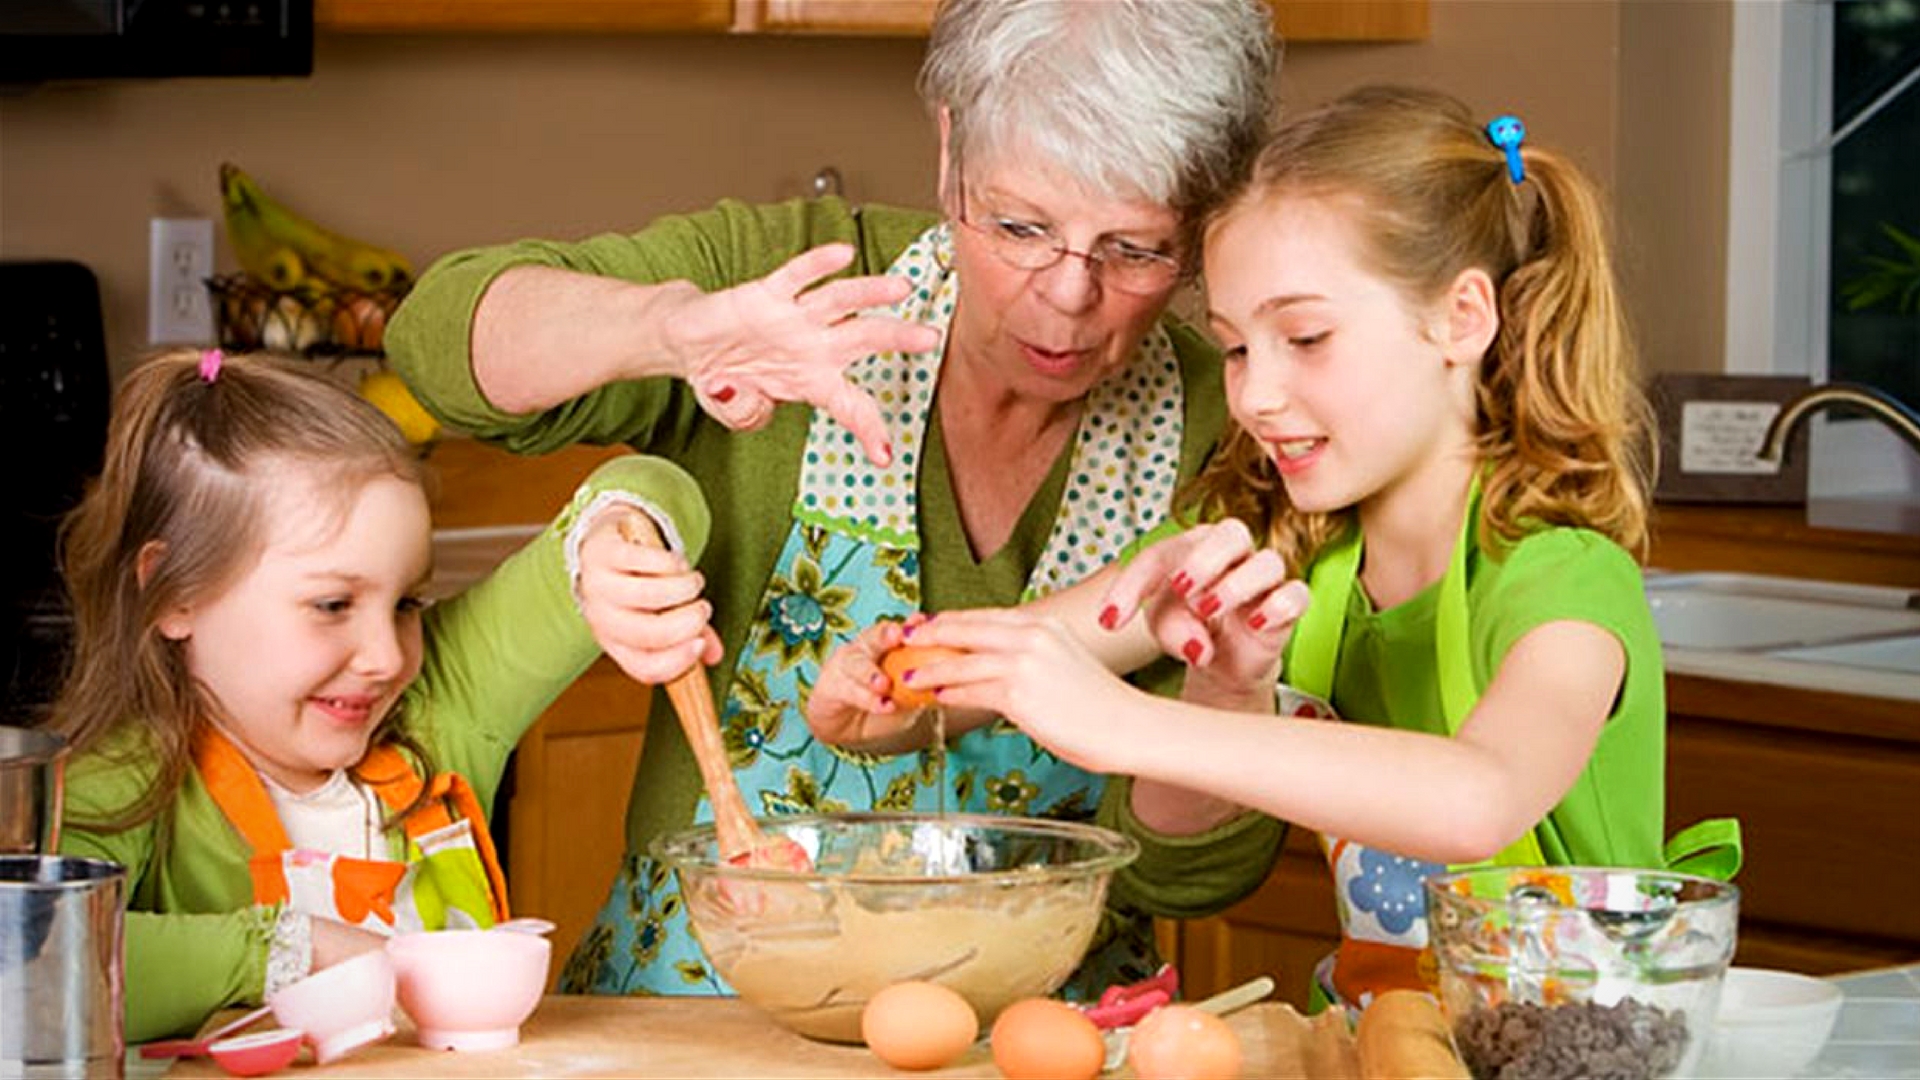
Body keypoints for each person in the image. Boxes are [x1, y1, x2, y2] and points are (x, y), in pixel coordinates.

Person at [384, 0, 1283, 998]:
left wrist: (1227, 695)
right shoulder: (800, 280)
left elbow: (1190, 876)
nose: (1068, 296)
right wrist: (680, 332)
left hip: (1036, 1039)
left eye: (1137, 250)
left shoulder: (1234, 417)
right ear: (949, 155)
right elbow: (439, 346)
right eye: (1021, 226)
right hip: (696, 1024)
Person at [809, 85, 1739, 1011]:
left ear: (1462, 319)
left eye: (1305, 336)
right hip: (1383, 1035)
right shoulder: (1289, 551)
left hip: (1585, 1056)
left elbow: (1479, 800)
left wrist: (1124, 724)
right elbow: (1036, 647)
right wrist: (884, 686)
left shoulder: (1566, 580)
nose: (1253, 397)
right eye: (1239, 348)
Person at [52, 349, 712, 1041]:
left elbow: (658, 486)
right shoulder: (128, 781)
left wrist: (615, 539)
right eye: (333, 604)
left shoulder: (442, 703)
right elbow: (39, 955)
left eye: (407, 602)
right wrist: (288, 950)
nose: (389, 656)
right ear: (176, 593)